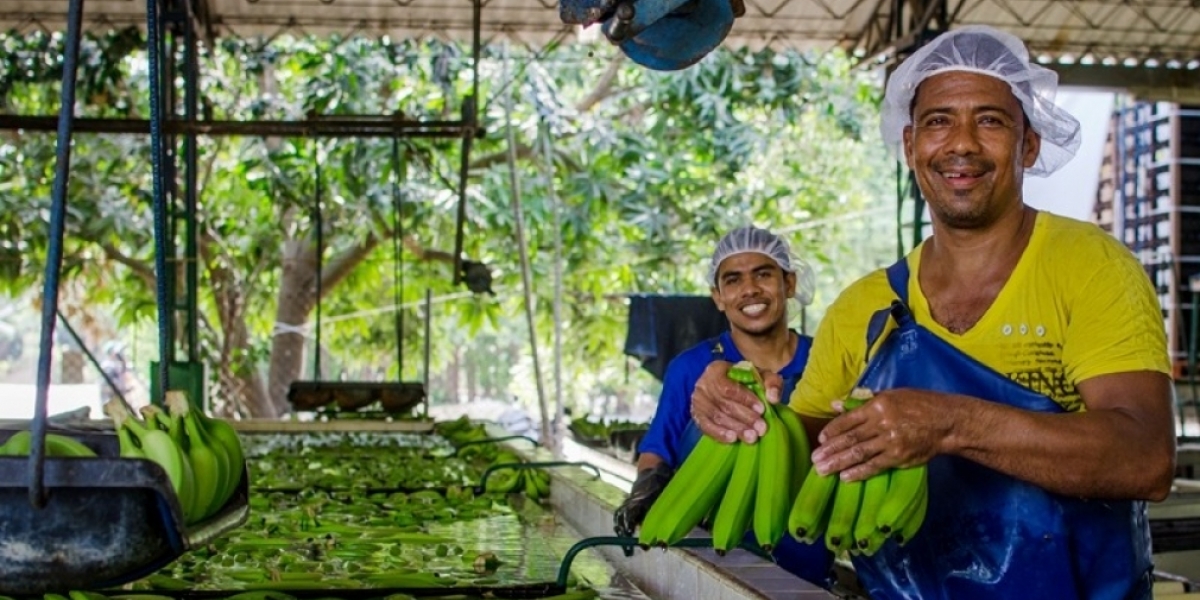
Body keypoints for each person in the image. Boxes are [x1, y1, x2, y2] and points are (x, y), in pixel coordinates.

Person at [687, 25, 1176, 600]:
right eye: (940, 120)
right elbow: (808, 461)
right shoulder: (865, 308)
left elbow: (1145, 458)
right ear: (911, 144)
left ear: (1029, 145)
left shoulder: (1090, 267)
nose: (962, 143)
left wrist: (951, 424)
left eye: (990, 120)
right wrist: (740, 411)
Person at [612, 225, 834, 588]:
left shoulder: (826, 361)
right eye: (733, 280)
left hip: (805, 571)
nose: (750, 289)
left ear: (789, 284)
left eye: (763, 274)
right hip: (707, 569)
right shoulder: (691, 368)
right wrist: (646, 486)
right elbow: (657, 449)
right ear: (718, 296)